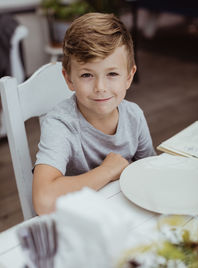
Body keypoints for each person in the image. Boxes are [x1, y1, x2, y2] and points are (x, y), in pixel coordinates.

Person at [33, 13, 156, 215]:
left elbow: (150, 173)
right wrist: (107, 170)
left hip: (123, 216)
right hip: (78, 222)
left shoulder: (134, 116)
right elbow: (44, 201)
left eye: (112, 74)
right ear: (69, 79)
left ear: (129, 76)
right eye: (87, 75)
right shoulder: (61, 124)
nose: (100, 87)